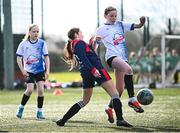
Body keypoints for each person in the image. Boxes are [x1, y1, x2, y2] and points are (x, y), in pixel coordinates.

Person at [56, 28, 132, 127]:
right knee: (115, 94)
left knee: (84, 101)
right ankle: (120, 120)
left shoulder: (75, 45)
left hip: (86, 73)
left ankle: (63, 120)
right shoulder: (79, 43)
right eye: (81, 33)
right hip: (96, 70)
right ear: (76, 34)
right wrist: (93, 70)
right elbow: (84, 57)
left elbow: (88, 54)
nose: (82, 34)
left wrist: (93, 44)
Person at [93, 6, 145, 123]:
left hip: (122, 58)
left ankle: (109, 108)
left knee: (119, 90)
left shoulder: (120, 24)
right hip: (112, 57)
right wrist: (95, 45)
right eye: (111, 16)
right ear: (105, 16)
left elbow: (137, 26)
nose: (114, 18)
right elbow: (94, 47)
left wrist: (141, 22)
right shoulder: (101, 29)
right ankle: (132, 99)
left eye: (115, 15)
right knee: (129, 70)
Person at [15, 24, 50, 119]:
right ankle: (21, 108)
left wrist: (47, 71)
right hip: (29, 71)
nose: (36, 33)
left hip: (40, 70)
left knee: (41, 90)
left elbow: (46, 57)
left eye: (37, 31)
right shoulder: (23, 44)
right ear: (29, 32)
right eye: (34, 31)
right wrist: (22, 70)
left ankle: (39, 112)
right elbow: (19, 58)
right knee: (30, 90)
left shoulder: (42, 43)